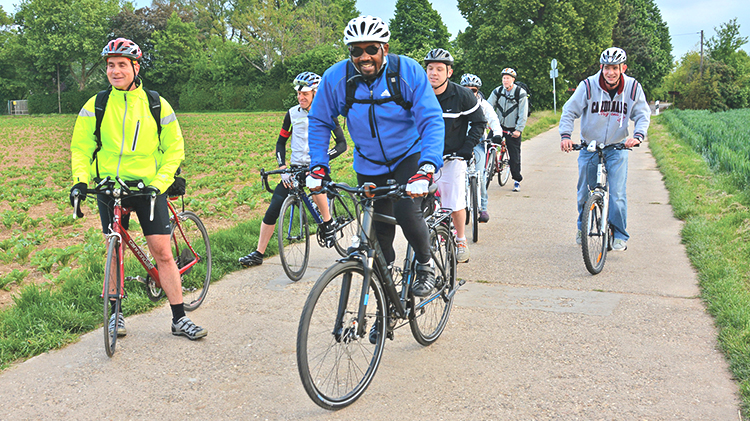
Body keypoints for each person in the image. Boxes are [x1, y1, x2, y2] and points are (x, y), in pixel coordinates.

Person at [69, 38, 206, 340]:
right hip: (109, 187)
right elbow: (81, 147)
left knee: (161, 252)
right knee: (114, 248)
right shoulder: (97, 104)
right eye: (110, 66)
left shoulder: (156, 104)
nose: (115, 71)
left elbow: (174, 150)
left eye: (121, 65)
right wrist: (81, 179)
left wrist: (159, 184)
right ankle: (116, 315)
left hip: (149, 189)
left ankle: (179, 318)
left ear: (135, 67)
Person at [305, 15, 445, 297]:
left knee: (407, 212)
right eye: (356, 51)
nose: (364, 57)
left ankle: (426, 263)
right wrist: (318, 166)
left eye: (371, 49)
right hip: (369, 163)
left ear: (385, 48)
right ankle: (387, 295)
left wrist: (427, 166)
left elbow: (431, 119)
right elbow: (319, 121)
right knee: (378, 233)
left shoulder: (406, 71)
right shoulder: (338, 78)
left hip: (409, 156)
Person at [238, 72, 347, 267]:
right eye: (298, 94)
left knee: (317, 191)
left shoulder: (327, 112)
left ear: (315, 93)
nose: (300, 97)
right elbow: (281, 143)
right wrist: (283, 168)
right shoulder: (292, 113)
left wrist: (321, 160)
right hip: (296, 169)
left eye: (305, 94)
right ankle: (258, 253)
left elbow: (341, 144)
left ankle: (329, 224)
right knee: (273, 209)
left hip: (316, 168)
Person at [559, 47, 651, 251]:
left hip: (617, 148)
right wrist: (566, 136)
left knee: (617, 194)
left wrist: (637, 136)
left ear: (623, 68)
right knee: (584, 192)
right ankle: (582, 228)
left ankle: (619, 234)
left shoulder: (633, 88)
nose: (611, 72)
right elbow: (569, 111)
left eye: (615, 68)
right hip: (589, 147)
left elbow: (642, 114)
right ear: (601, 67)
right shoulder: (588, 86)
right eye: (607, 67)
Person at [424, 49, 486, 261]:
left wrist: (466, 148)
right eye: (430, 68)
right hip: (423, 158)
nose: (434, 73)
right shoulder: (418, 94)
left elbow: (479, 122)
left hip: (452, 158)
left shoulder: (462, 95)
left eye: (439, 69)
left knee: (454, 202)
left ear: (449, 72)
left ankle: (460, 239)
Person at [460, 73, 501, 223]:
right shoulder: (457, 102)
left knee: (481, 177)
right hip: (460, 144)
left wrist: (497, 134)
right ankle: (462, 206)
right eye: (467, 89)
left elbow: (493, 119)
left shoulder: (483, 104)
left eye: (474, 90)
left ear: (478, 91)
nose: (471, 93)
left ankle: (483, 209)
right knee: (459, 177)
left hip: (478, 143)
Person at [488, 68, 528, 192]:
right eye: (504, 78)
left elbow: (523, 113)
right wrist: (487, 123)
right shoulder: (498, 91)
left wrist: (519, 129)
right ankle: (485, 170)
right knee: (486, 146)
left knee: (514, 156)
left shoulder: (520, 93)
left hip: (513, 129)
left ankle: (516, 180)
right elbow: (488, 107)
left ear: (513, 80)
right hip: (498, 127)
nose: (505, 80)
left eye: (508, 78)